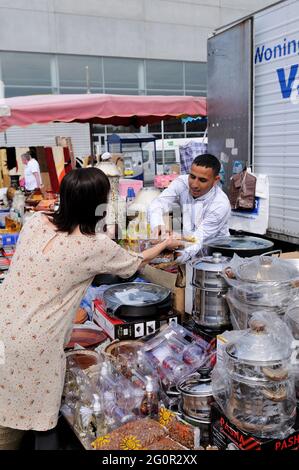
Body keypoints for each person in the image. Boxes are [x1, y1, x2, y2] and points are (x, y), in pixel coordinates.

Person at [0, 167, 182, 449]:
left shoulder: (37, 221)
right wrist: (166, 243)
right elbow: (135, 262)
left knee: (7, 408)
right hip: (34, 343)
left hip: (5, 323)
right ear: (99, 203)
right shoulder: (93, 245)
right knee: (42, 421)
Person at [148, 153, 231, 263]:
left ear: (216, 180)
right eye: (192, 177)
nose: (194, 184)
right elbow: (158, 203)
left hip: (214, 259)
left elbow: (197, 241)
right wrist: (158, 225)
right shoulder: (182, 183)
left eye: (202, 180)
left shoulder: (220, 205)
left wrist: (164, 256)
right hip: (187, 250)